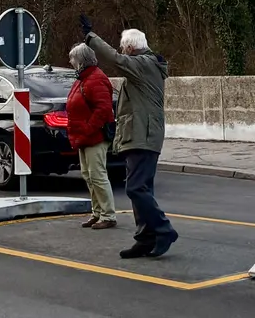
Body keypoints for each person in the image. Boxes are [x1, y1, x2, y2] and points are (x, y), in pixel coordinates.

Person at [81, 14, 176, 259]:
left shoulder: (144, 64)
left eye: (124, 47)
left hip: (143, 136)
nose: (123, 51)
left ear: (131, 47)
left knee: (135, 188)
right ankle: (145, 238)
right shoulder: (145, 67)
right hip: (138, 135)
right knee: (142, 189)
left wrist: (91, 37)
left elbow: (115, 59)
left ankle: (164, 229)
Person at [67, 43, 117, 230]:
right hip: (84, 135)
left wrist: (88, 128)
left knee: (97, 175)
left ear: (81, 61)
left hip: (94, 135)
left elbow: (104, 109)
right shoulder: (83, 79)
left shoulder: (94, 79)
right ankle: (97, 212)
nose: (71, 61)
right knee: (88, 175)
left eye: (73, 58)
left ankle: (108, 215)